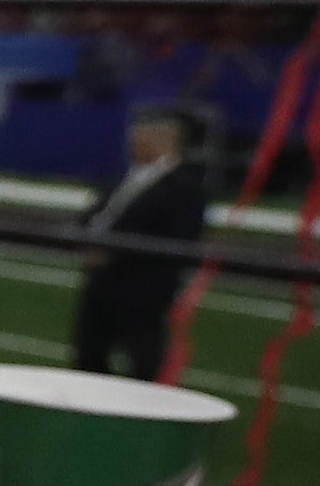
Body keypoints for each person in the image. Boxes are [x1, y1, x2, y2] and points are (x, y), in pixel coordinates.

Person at [70, 104, 213, 381]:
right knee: (88, 353)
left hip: (143, 286)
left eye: (141, 139)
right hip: (102, 279)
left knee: (143, 357)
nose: (134, 145)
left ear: (167, 141)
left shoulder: (186, 186)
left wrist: (115, 253)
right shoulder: (125, 177)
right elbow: (95, 215)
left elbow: (179, 240)